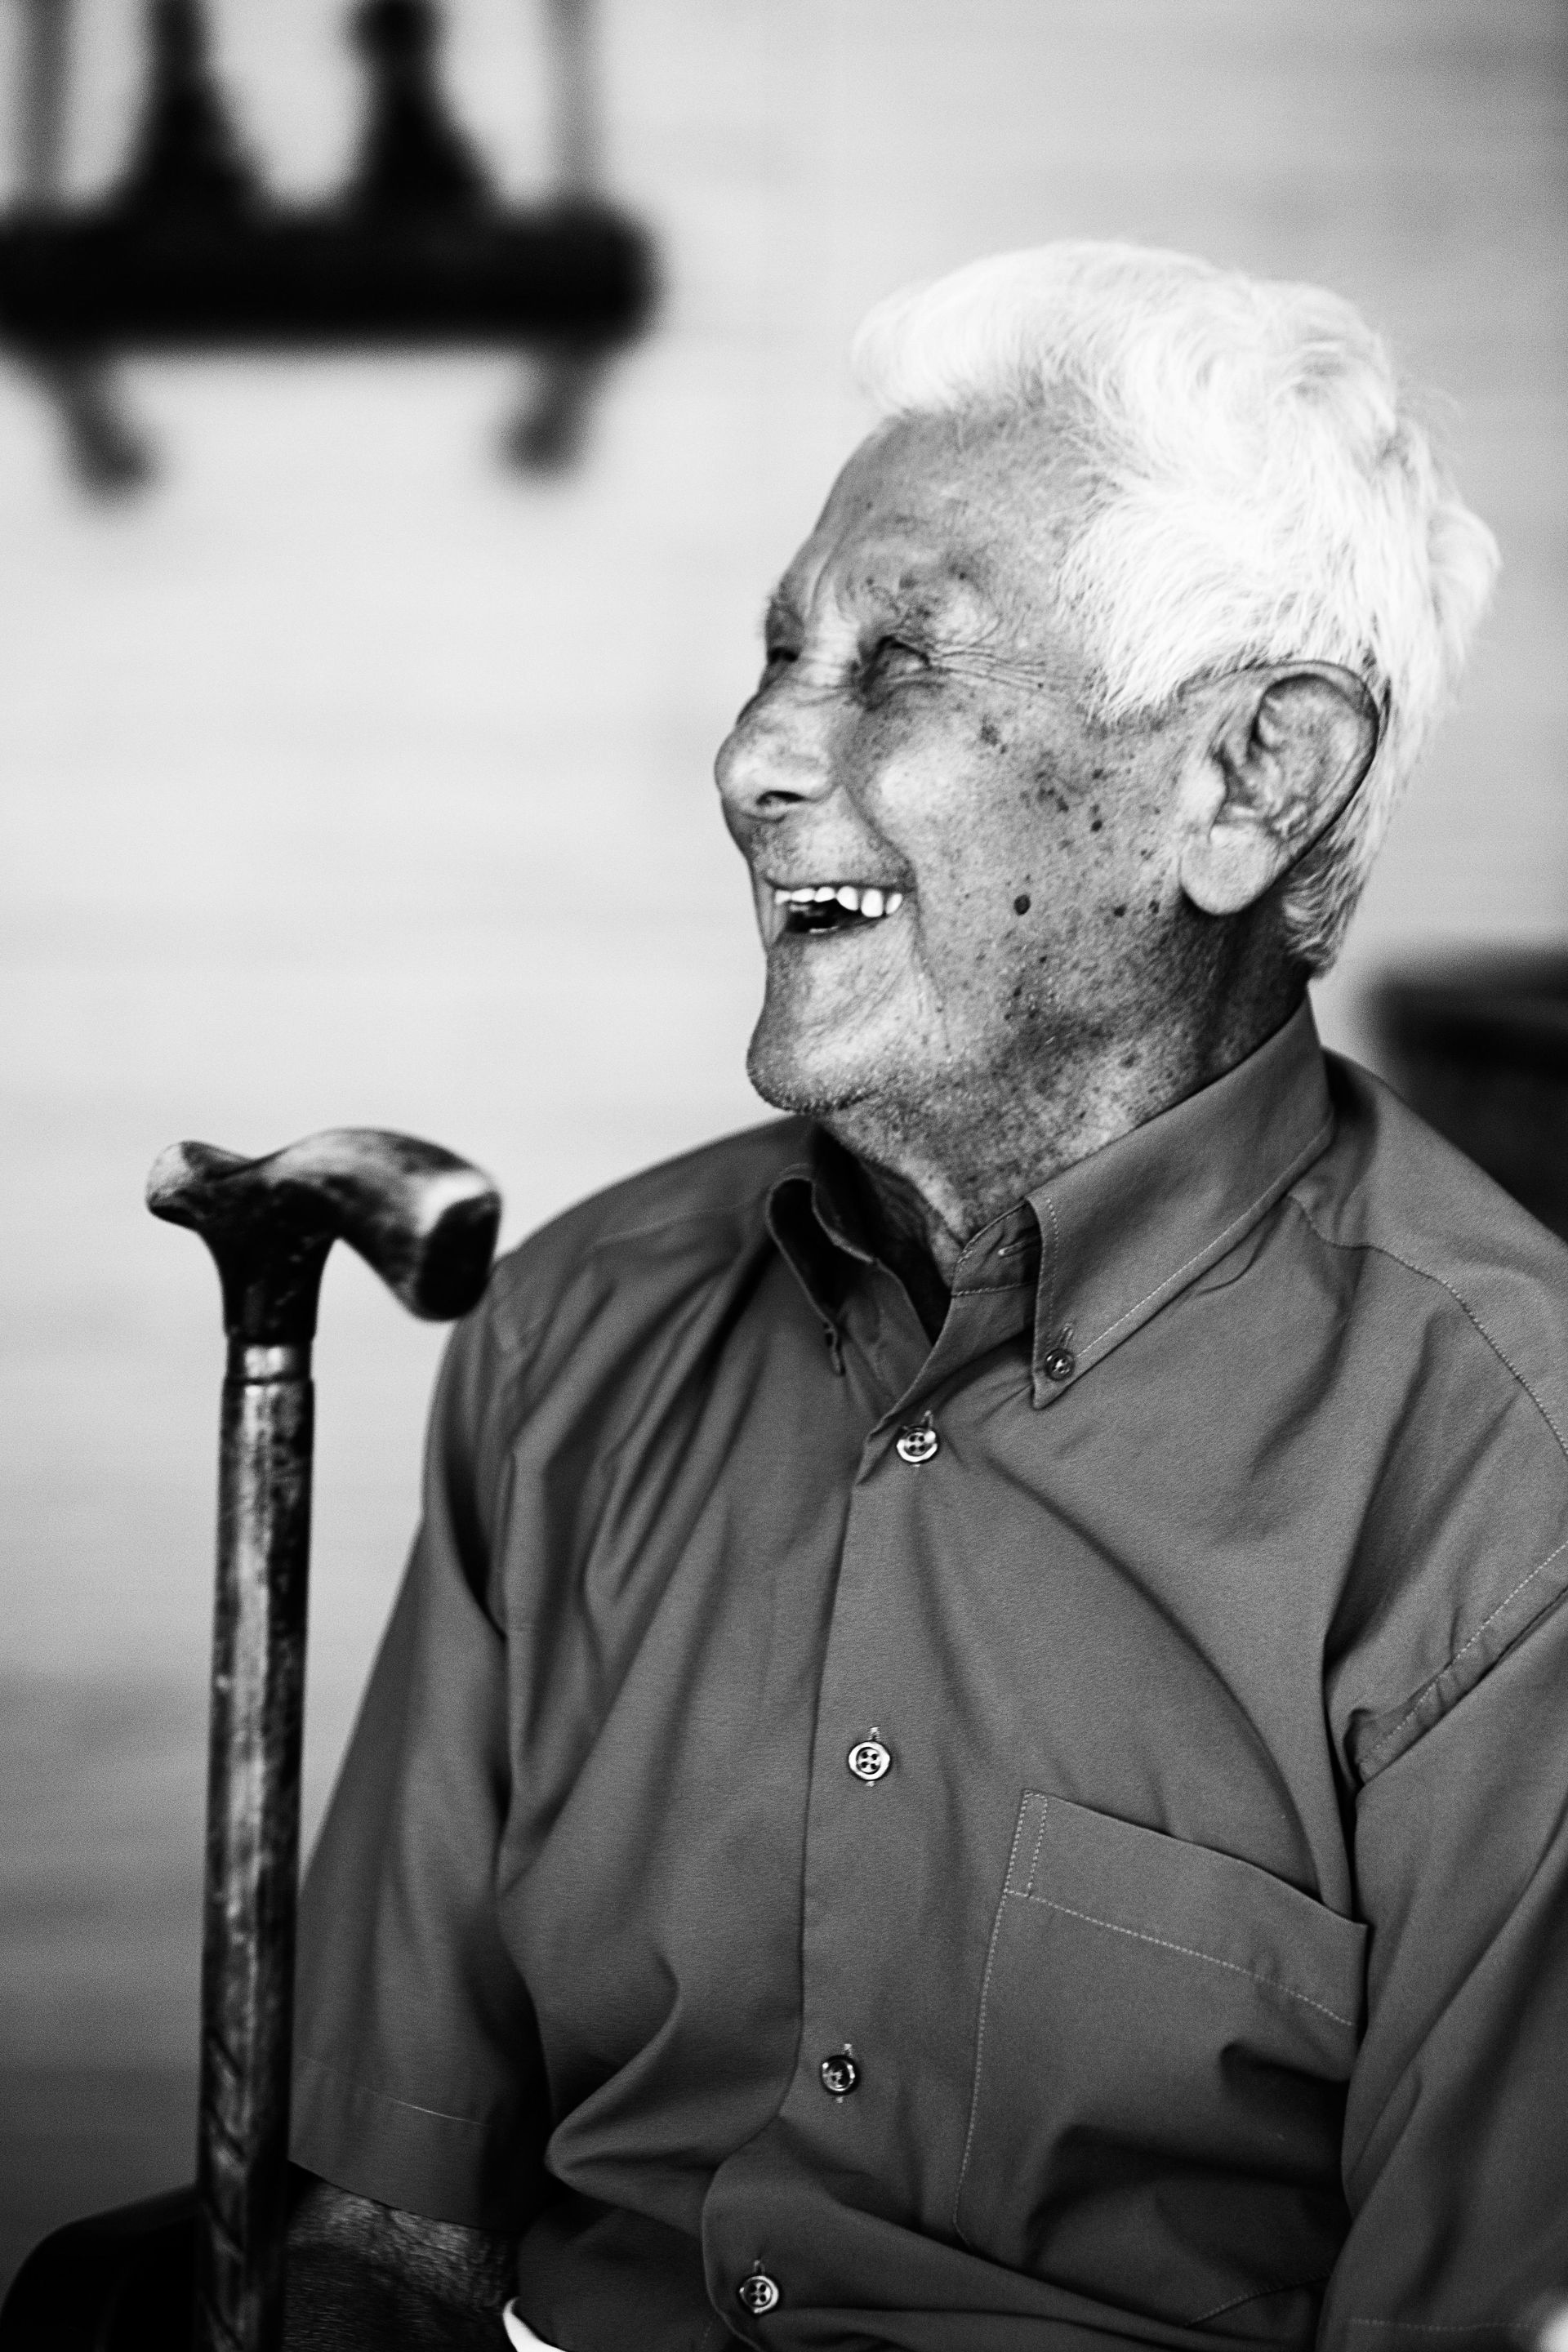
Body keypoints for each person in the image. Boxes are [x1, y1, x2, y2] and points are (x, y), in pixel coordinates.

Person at [282, 243, 1568, 2352]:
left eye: (897, 666)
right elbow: (384, 2215)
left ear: (1251, 780)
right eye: (780, 652)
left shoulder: (1507, 1490)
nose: (756, 758)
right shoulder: (582, 1328)